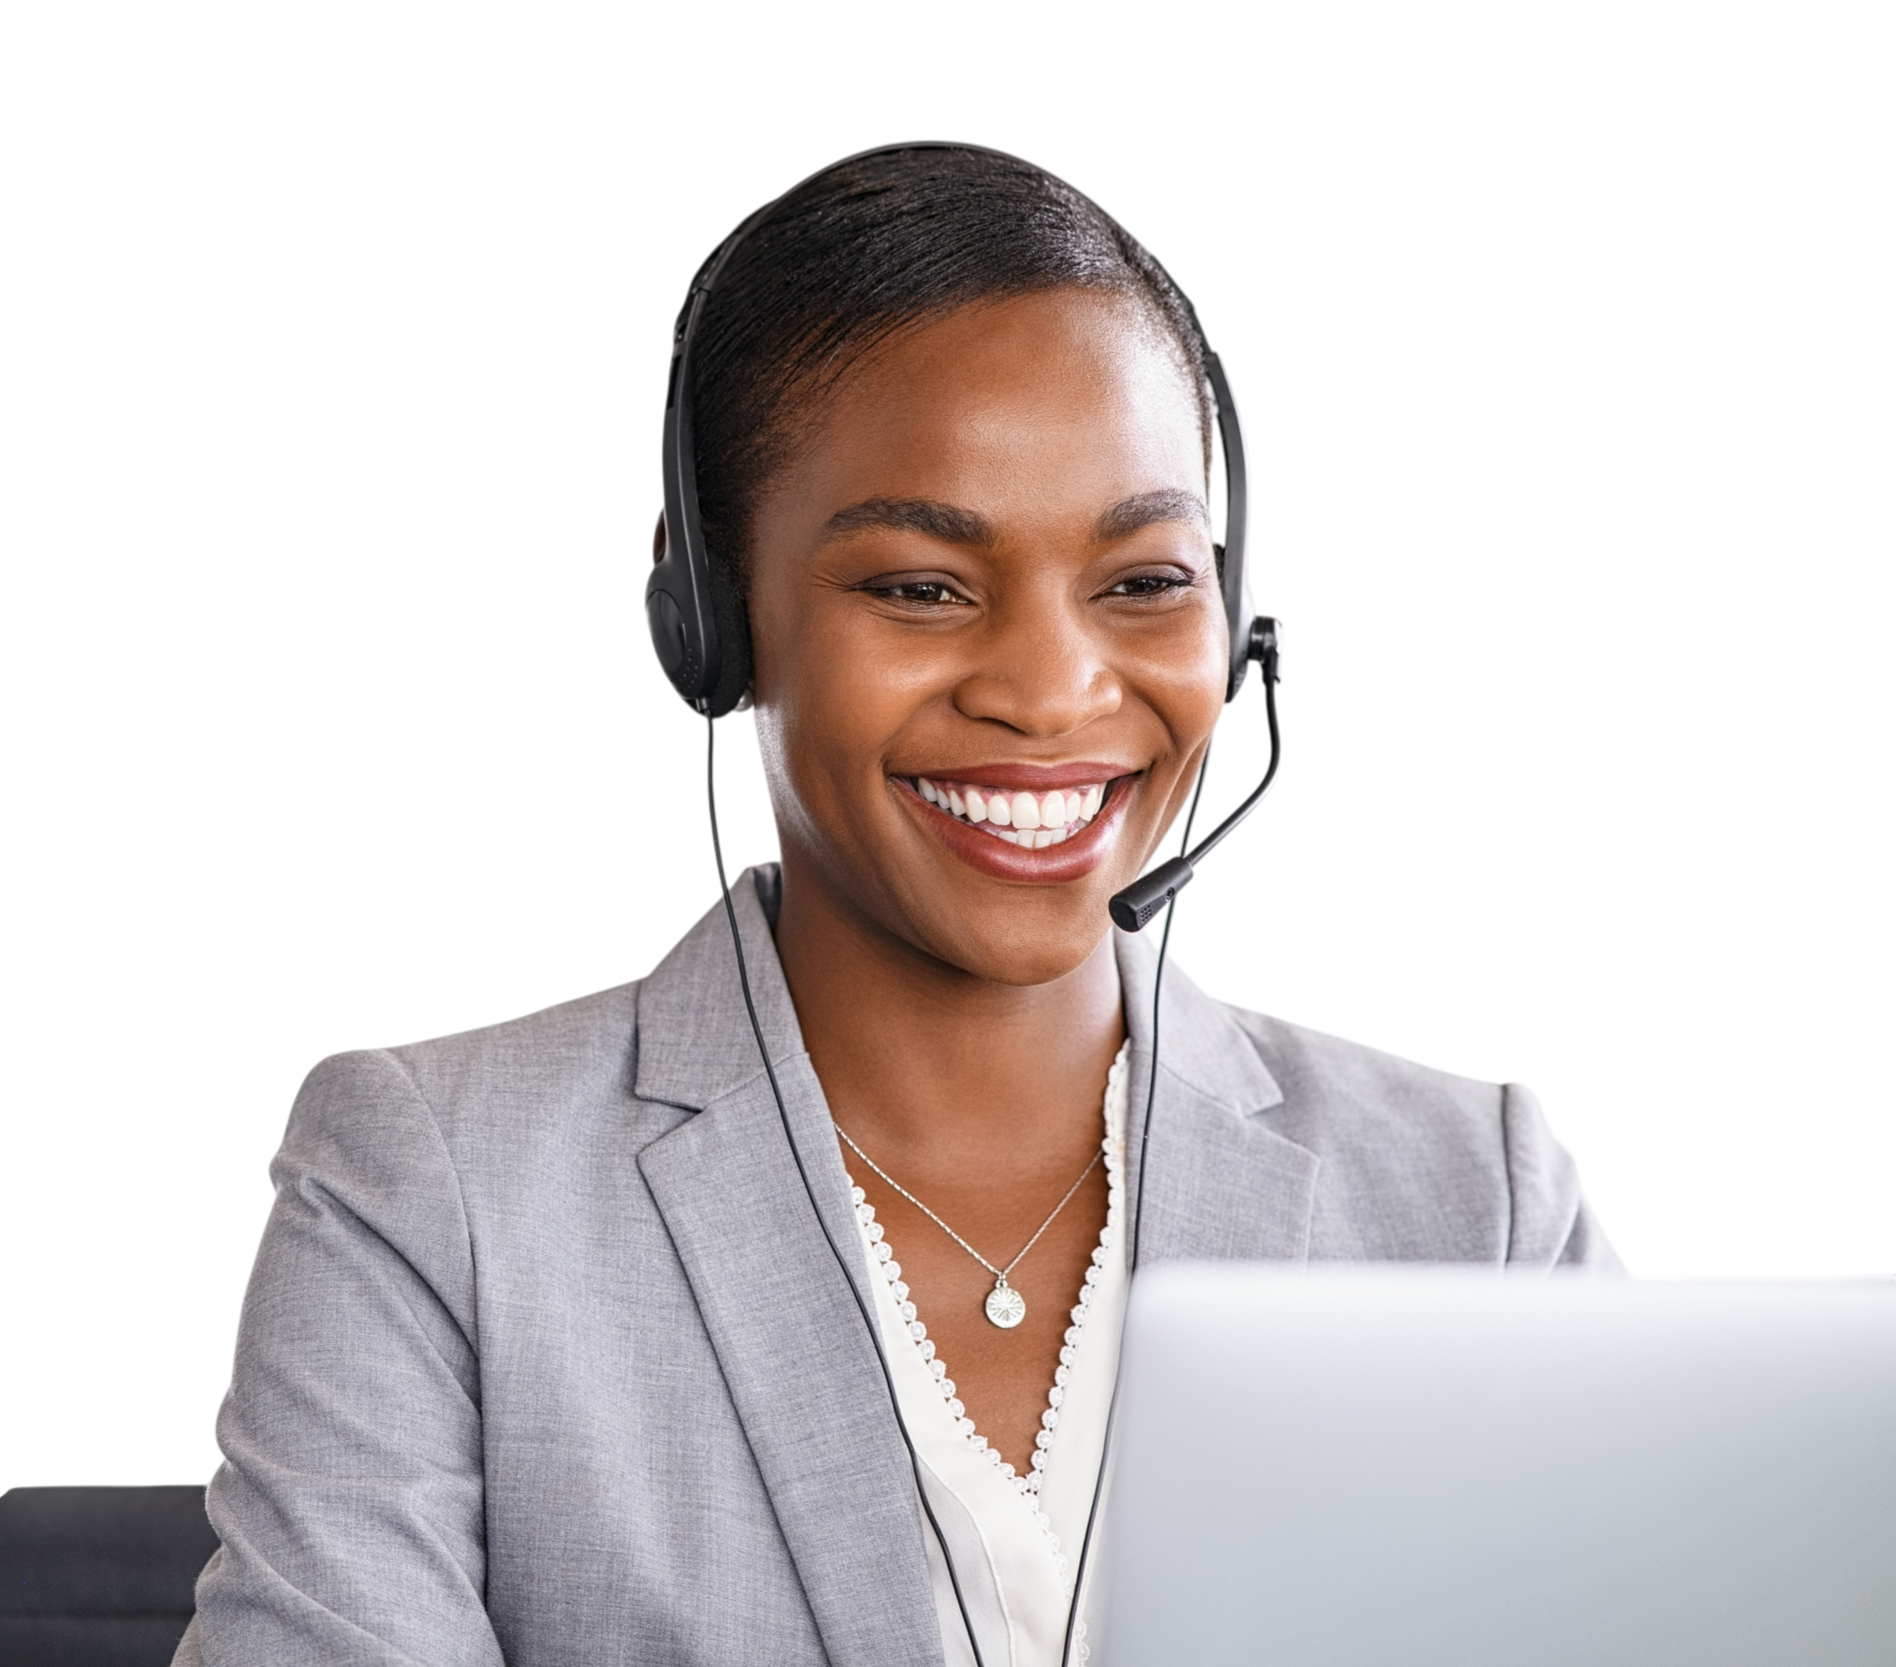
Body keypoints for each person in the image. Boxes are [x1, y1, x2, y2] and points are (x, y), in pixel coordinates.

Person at [174, 144, 1623, 1667]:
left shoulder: (1477, 1201)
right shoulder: (436, 1191)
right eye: (923, 586)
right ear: (713, 619)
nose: (1052, 692)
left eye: (1143, 582)